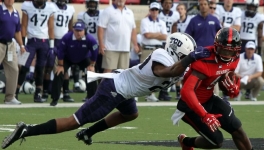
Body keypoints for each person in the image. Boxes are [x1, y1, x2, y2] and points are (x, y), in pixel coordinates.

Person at [1, 32, 211, 148]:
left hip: (123, 86)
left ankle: (88, 133)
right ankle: (26, 129)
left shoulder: (178, 64)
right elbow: (165, 72)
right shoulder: (161, 56)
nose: (187, 60)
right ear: (177, 52)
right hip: (115, 89)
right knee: (73, 122)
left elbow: (188, 72)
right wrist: (190, 59)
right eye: (186, 56)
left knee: (131, 113)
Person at [172, 27, 253, 150]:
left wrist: (232, 88)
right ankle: (186, 142)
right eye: (223, 50)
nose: (226, 55)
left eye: (230, 52)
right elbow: (186, 91)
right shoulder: (205, 60)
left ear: (236, 51)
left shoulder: (235, 58)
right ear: (216, 46)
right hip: (190, 106)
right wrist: (205, 115)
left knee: (236, 127)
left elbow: (222, 79)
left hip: (209, 99)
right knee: (216, 141)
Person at [49, 22, 98, 106]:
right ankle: (55, 99)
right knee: (58, 72)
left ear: (84, 31)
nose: (78, 33)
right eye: (76, 30)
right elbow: (60, 51)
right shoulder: (66, 37)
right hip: (67, 58)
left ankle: (92, 98)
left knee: (91, 74)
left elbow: (95, 51)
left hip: (83, 58)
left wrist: (92, 65)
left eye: (80, 31)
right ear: (73, 30)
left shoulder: (90, 39)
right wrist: (60, 65)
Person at [17, 0, 55, 103]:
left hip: (44, 42)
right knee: (24, 67)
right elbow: (23, 25)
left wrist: (52, 46)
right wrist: (23, 43)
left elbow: (51, 27)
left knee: (40, 68)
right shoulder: (27, 5)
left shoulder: (50, 7)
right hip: (31, 41)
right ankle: (15, 91)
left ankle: (38, 93)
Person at [98, 0, 139, 73]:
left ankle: (118, 85)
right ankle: (103, 85)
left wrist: (135, 44)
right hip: (110, 47)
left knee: (123, 72)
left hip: (125, 48)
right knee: (108, 71)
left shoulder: (130, 12)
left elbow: (133, 29)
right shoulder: (108, 11)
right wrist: (101, 44)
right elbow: (100, 28)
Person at [47, 0, 75, 102]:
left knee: (66, 68)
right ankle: (48, 91)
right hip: (54, 40)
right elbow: (49, 25)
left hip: (65, 41)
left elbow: (70, 27)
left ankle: (66, 92)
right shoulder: (51, 7)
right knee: (51, 66)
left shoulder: (71, 9)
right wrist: (51, 43)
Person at [140, 1, 167, 102]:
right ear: (150, 10)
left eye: (156, 10)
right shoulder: (144, 21)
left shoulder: (162, 22)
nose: (154, 11)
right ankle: (137, 93)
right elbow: (147, 35)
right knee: (143, 72)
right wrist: (158, 34)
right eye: (153, 9)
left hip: (158, 48)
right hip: (147, 48)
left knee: (155, 72)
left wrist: (154, 35)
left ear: (158, 11)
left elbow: (164, 36)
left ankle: (151, 94)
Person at [0, 0, 26, 104]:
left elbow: (17, 31)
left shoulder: (16, 13)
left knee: (14, 70)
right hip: (0, 43)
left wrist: (21, 45)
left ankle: (10, 97)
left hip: (10, 45)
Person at [78, 0, 102, 101]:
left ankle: (101, 94)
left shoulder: (102, 14)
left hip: (100, 45)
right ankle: (91, 95)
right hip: (88, 45)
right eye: (90, 3)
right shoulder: (82, 15)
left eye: (93, 3)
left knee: (101, 71)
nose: (92, 5)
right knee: (90, 71)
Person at [158, 0, 180, 101]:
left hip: (169, 44)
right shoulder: (158, 13)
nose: (167, 5)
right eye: (165, 3)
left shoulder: (175, 15)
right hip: (159, 42)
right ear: (162, 4)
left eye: (170, 3)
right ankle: (161, 91)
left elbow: (174, 30)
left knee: (170, 66)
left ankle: (164, 91)